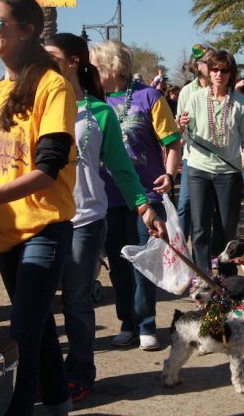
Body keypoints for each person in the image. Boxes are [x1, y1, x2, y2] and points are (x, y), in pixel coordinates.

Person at [44, 33, 167, 401]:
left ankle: (80, 373)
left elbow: (122, 168)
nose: (44, 62)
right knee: (39, 303)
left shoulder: (100, 112)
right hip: (41, 220)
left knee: (77, 300)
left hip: (84, 219)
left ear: (73, 62)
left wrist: (144, 206)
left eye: (52, 56)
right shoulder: (37, 106)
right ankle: (46, 374)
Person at [0, 0, 75, 416]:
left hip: (44, 229)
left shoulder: (53, 86)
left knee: (22, 335)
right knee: (39, 331)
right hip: (4, 232)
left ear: (26, 30)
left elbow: (48, 169)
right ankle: (58, 404)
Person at [90, 40, 181, 351]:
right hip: (107, 195)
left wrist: (169, 174)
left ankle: (145, 324)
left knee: (142, 261)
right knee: (117, 263)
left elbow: (172, 142)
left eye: (95, 66)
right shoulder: (92, 101)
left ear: (110, 67)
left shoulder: (150, 97)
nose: (90, 71)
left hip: (146, 194)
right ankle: (127, 323)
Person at [179, 49, 244, 274]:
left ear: (231, 73)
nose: (218, 74)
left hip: (229, 171)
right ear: (208, 71)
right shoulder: (195, 97)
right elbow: (182, 136)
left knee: (226, 228)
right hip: (198, 169)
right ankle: (203, 276)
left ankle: (226, 278)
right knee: (200, 228)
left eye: (224, 70)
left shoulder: (240, 103)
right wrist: (180, 125)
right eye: (214, 69)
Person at [176, 44, 214, 241]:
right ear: (198, 66)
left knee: (212, 209)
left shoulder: (223, 90)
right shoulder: (187, 92)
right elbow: (177, 129)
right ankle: (181, 253)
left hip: (220, 160)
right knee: (185, 205)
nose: (214, 67)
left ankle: (215, 255)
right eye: (209, 63)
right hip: (192, 158)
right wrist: (180, 125)